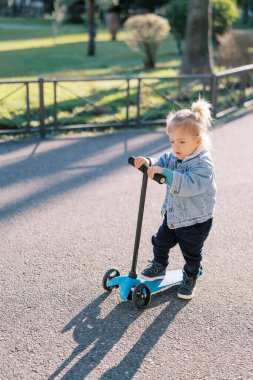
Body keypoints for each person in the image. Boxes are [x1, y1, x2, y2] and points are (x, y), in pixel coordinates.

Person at [134, 98, 217, 300]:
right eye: (172, 141)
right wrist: (149, 162)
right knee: (159, 241)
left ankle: (190, 278)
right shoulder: (175, 155)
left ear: (197, 141)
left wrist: (167, 175)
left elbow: (190, 184)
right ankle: (159, 266)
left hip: (196, 220)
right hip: (173, 215)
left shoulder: (203, 164)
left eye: (181, 142)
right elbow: (162, 162)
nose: (175, 147)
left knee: (191, 253)